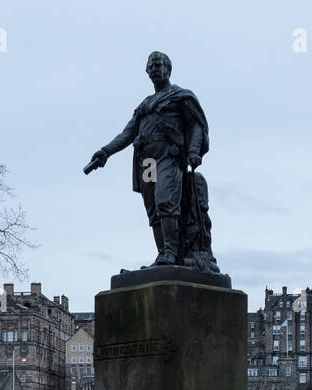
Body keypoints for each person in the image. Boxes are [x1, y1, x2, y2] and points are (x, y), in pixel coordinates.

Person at [85, 51, 219, 273]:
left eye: (158, 65)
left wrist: (194, 151)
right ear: (147, 72)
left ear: (168, 69)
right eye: (151, 66)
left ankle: (170, 251)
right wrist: (105, 152)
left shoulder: (180, 96)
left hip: (169, 156)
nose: (155, 69)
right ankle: (164, 255)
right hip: (147, 161)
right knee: (154, 209)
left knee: (165, 200)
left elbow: (197, 125)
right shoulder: (144, 106)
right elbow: (127, 134)